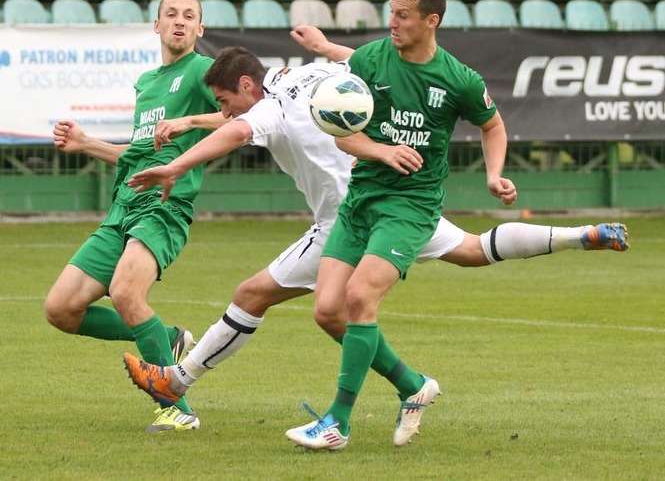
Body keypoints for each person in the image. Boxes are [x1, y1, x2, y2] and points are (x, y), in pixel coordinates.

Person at [120, 43, 628, 446]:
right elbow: (352, 62)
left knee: (260, 296)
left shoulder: (270, 109)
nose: (224, 112)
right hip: (397, 199)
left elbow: (232, 134)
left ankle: (178, 381)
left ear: (247, 85)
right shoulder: (309, 74)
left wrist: (178, 163)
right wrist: (323, 45)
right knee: (472, 250)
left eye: (224, 101)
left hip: (349, 218)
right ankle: (575, 237)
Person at [44, 0, 229, 433]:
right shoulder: (147, 84)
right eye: (171, 14)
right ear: (157, 25)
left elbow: (246, 115)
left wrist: (190, 121)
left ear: (200, 28)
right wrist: (86, 143)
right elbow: (140, 155)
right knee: (61, 309)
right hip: (123, 207)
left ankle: (177, 408)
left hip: (165, 206)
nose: (180, 21)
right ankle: (165, 339)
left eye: (189, 15)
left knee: (127, 294)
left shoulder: (204, 70)